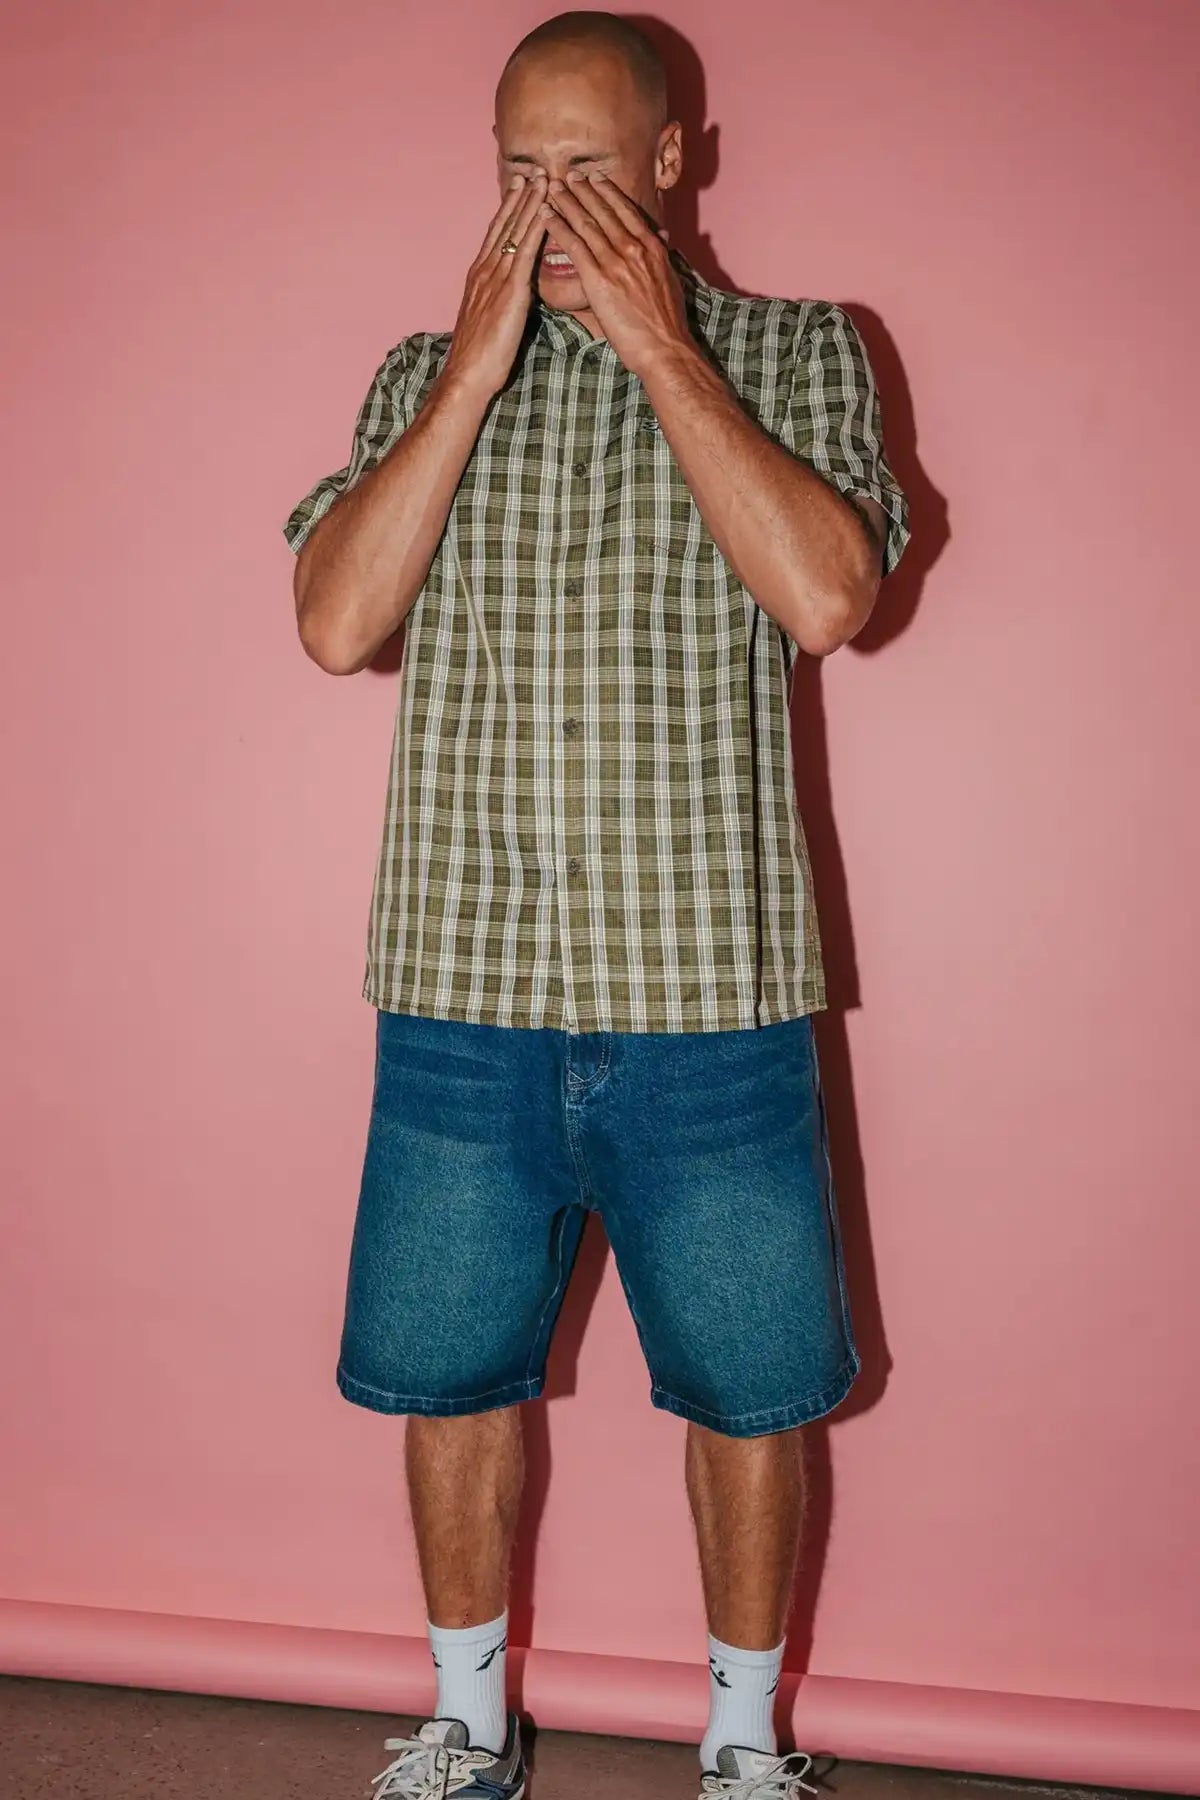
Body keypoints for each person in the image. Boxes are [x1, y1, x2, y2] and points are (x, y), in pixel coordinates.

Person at [284, 12, 909, 1798]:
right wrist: (474, 377)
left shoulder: (795, 350)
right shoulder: (421, 370)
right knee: (446, 1374)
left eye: (580, 167)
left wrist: (658, 344)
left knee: (750, 1392)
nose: (543, 206)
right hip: (459, 984)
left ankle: (741, 1750)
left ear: (670, 161)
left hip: (707, 991)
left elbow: (825, 596)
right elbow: (335, 623)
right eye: (511, 170)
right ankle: (468, 1723)